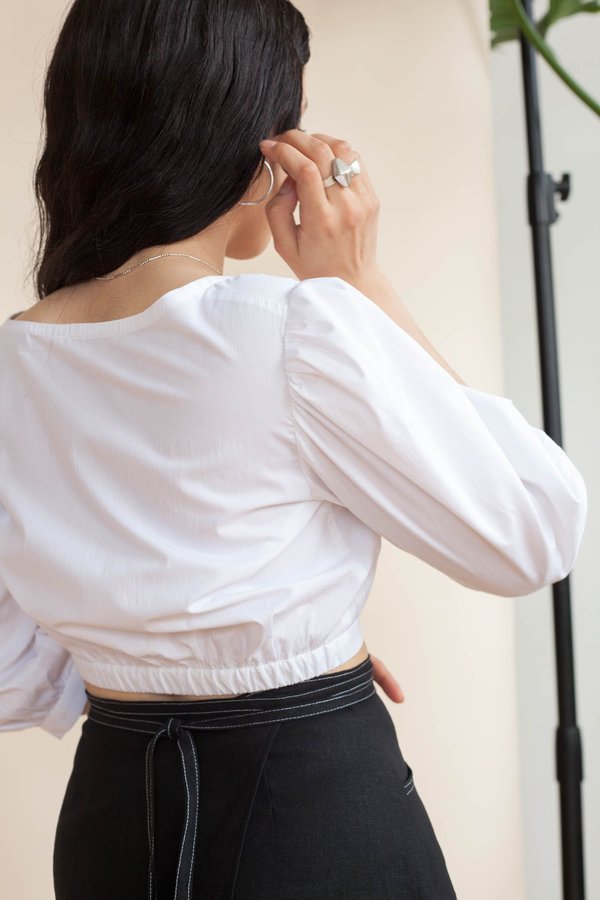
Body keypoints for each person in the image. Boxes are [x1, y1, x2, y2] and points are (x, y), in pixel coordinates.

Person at [0, 1, 587, 898]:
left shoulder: (17, 360)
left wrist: (200, 654)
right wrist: (361, 283)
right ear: (247, 138)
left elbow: (11, 672)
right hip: (313, 809)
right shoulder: (293, 327)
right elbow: (533, 530)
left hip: (112, 824)